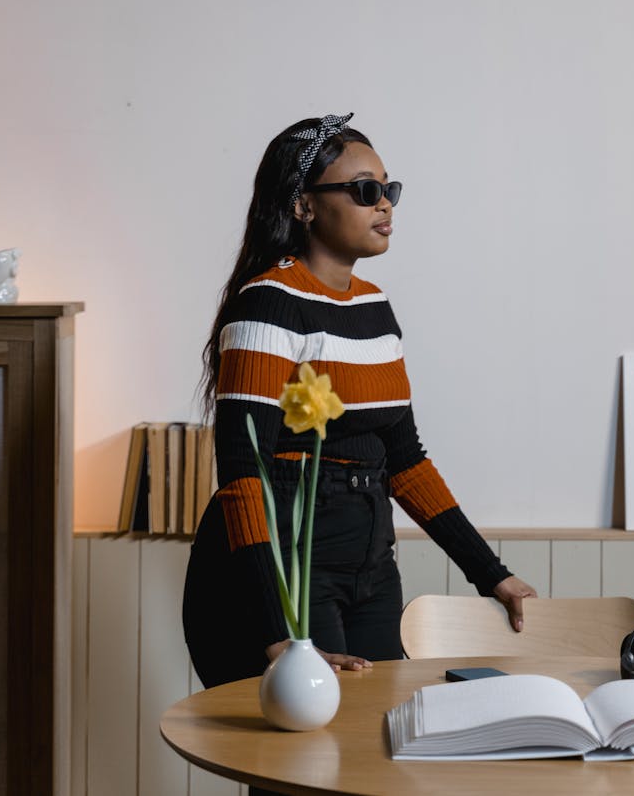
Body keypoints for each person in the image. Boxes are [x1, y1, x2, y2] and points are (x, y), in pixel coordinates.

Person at [183, 113, 536, 706]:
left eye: (388, 190)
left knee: (374, 739)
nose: (385, 206)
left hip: (370, 564)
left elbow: (405, 463)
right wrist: (277, 635)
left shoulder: (375, 308)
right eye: (364, 190)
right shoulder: (267, 306)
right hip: (290, 566)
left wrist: (491, 575)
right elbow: (244, 476)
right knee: (302, 764)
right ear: (303, 206)